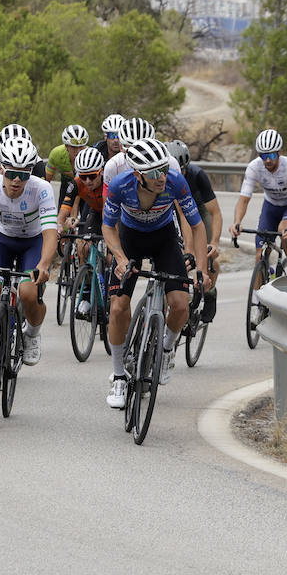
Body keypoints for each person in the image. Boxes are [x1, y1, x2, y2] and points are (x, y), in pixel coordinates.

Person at [100, 138, 210, 409]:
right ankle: (118, 376)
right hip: (129, 237)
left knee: (180, 306)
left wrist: (201, 269)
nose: (161, 177)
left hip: (164, 238)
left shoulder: (175, 181)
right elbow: (108, 228)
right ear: (137, 175)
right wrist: (121, 258)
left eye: (163, 169)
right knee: (117, 308)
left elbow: (197, 226)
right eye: (153, 173)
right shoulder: (119, 185)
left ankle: (167, 349)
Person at [0, 136, 57, 388]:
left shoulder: (41, 188)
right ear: (0, 169)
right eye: (11, 174)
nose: (17, 180)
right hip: (1, 237)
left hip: (33, 241)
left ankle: (32, 334)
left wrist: (45, 264)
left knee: (29, 293)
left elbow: (50, 233)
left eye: (23, 174)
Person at [230, 129, 287, 272]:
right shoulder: (254, 167)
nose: (267, 160)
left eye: (272, 155)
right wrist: (237, 222)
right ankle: (258, 291)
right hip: (271, 206)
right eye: (263, 155)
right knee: (259, 257)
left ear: (280, 152)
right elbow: (243, 200)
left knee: (284, 230)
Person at [168, 139, 221, 322]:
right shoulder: (162, 178)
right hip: (177, 212)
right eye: (175, 170)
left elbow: (215, 213)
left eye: (182, 171)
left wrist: (214, 242)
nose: (179, 175)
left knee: (207, 255)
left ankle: (211, 292)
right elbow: (180, 217)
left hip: (199, 211)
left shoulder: (198, 175)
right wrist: (187, 250)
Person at [59, 146, 107, 317]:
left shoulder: (110, 180)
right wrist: (60, 227)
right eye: (83, 176)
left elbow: (112, 218)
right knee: (83, 246)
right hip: (95, 211)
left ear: (101, 172)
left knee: (111, 256)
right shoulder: (76, 183)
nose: (87, 181)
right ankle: (86, 292)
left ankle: (110, 289)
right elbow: (65, 209)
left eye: (92, 176)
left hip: (114, 213)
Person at [47, 123, 90, 195]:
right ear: (66, 146)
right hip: (66, 185)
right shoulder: (56, 154)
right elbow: (46, 182)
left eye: (81, 147)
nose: (78, 151)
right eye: (74, 147)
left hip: (86, 187)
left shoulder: (91, 154)